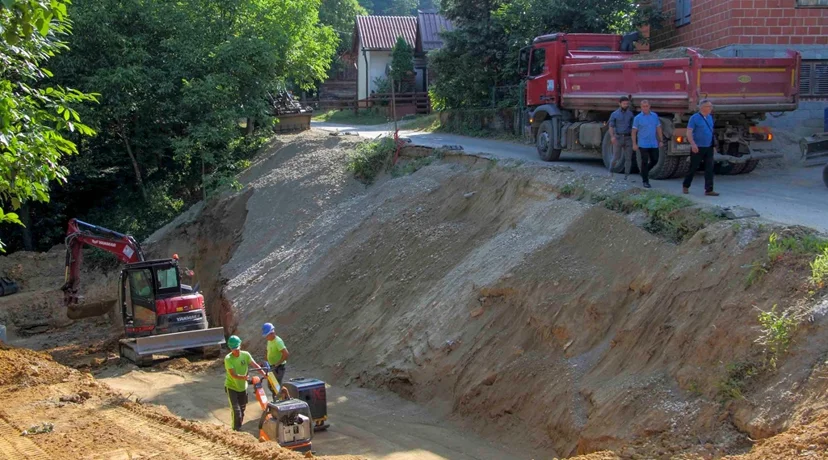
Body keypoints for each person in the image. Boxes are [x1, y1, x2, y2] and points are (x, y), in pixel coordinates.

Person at [224, 335, 261, 431]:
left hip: (243, 387)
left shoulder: (246, 355)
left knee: (242, 409)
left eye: (237, 348)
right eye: (233, 349)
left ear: (240, 345)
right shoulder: (228, 359)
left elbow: (255, 365)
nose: (235, 351)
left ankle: (239, 428)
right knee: (236, 411)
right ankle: (235, 430)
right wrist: (244, 377)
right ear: (230, 348)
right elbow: (233, 375)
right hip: (231, 387)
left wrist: (264, 374)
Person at [684, 99, 720, 196]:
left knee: (709, 168)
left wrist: (713, 145)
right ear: (702, 107)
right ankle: (686, 185)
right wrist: (693, 144)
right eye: (709, 106)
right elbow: (689, 132)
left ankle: (709, 189)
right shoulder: (694, 118)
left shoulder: (710, 118)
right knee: (693, 167)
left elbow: (711, 132)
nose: (711, 108)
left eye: (711, 106)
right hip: (698, 147)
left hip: (708, 147)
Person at [632, 100, 664, 189]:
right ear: (641, 107)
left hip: (653, 143)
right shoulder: (637, 118)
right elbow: (634, 131)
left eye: (646, 106)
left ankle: (643, 172)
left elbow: (658, 128)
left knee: (655, 160)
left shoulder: (654, 116)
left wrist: (661, 140)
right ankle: (645, 181)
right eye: (643, 106)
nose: (645, 108)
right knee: (644, 161)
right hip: (643, 143)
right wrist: (634, 143)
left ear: (649, 106)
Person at [608, 96, 635, 179]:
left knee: (628, 158)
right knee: (616, 156)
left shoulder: (630, 114)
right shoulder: (614, 114)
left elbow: (633, 127)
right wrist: (612, 137)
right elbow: (611, 126)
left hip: (628, 138)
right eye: (624, 104)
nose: (626, 105)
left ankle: (627, 175)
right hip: (618, 137)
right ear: (619, 104)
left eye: (627, 104)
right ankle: (610, 171)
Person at [262, 322, 290, 399]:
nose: (266, 337)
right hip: (272, 366)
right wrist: (265, 361)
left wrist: (278, 364)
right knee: (270, 385)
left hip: (279, 367)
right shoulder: (269, 341)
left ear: (272, 333)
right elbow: (268, 352)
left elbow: (286, 354)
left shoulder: (278, 342)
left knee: (276, 385)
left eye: (267, 335)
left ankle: (282, 397)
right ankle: (279, 397)